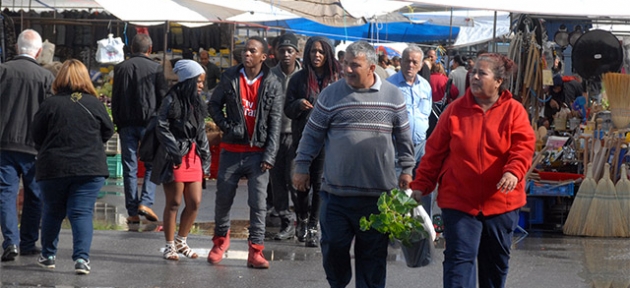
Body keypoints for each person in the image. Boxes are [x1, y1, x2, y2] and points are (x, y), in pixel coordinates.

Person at [292, 41, 415, 287]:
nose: (346, 69)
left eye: (354, 65)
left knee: (372, 260)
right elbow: (312, 134)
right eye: (345, 63)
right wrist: (301, 166)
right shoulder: (331, 94)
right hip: (335, 195)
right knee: (333, 248)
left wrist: (408, 169)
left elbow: (403, 137)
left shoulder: (392, 95)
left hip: (377, 197)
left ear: (371, 67)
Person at [409, 53, 536, 288]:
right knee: (458, 262)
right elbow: (434, 153)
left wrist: (513, 171)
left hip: (501, 203)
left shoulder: (514, 111)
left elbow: (523, 147)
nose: (474, 77)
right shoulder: (454, 111)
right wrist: (420, 186)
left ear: (498, 81)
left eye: (482, 73)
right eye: (473, 72)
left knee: (495, 266)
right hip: (459, 202)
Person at [31, 59, 115, 274]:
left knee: (52, 211)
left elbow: (36, 135)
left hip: (53, 167)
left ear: (60, 79)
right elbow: (107, 132)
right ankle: (81, 260)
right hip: (89, 167)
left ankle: (48, 255)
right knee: (81, 213)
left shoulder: (50, 104)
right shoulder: (95, 104)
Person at [207, 36, 283, 269]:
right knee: (223, 199)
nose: (246, 54)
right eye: (244, 51)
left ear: (264, 56)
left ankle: (256, 251)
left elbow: (276, 122)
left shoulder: (273, 83)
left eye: (252, 51)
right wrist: (227, 126)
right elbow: (212, 105)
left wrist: (270, 156)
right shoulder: (230, 76)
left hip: (258, 153)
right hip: (231, 149)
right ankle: (220, 242)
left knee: (258, 203)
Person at [0, 29, 54, 262]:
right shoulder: (45, 77)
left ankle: (10, 242)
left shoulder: (2, 71)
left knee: (6, 193)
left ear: (16, 48)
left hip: (4, 143)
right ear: (39, 51)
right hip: (35, 147)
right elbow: (50, 114)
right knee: (35, 195)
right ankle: (29, 241)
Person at [151, 60, 211, 261]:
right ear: (188, 81)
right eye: (198, 82)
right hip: (174, 154)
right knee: (174, 202)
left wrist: (206, 158)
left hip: (193, 154)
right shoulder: (171, 99)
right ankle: (169, 246)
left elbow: (201, 132)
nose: (202, 85)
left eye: (202, 82)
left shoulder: (198, 103)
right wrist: (175, 151)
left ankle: (181, 241)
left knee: (194, 202)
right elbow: (161, 126)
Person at [285, 36, 341, 247]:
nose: (316, 55)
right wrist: (298, 104)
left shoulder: (337, 79)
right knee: (301, 184)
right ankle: (301, 218)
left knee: (319, 185)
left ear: (327, 54)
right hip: (303, 137)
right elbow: (287, 110)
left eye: (320, 51)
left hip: (327, 141)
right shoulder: (298, 79)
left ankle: (312, 226)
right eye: (312, 51)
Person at [112, 33, 168, 228]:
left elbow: (115, 98)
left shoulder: (120, 69)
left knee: (130, 167)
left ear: (131, 49)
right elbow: (163, 99)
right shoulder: (155, 68)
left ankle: (132, 211)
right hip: (150, 124)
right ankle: (146, 202)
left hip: (126, 124)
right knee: (152, 165)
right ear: (150, 49)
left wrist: (117, 122)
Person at [386, 45, 433, 214]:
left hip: (421, 145)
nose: (410, 65)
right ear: (401, 62)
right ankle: (396, 226)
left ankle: (423, 227)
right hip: (397, 146)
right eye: (407, 61)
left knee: (423, 186)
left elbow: (426, 112)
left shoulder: (425, 86)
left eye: (415, 62)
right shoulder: (390, 85)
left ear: (421, 65)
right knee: (397, 188)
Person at [268, 33, 302, 241]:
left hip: (297, 135)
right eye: (283, 50)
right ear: (276, 52)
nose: (286, 54)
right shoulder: (269, 75)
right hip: (273, 136)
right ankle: (285, 220)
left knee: (294, 180)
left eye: (290, 50)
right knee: (276, 181)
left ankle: (301, 219)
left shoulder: (304, 75)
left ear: (296, 53)